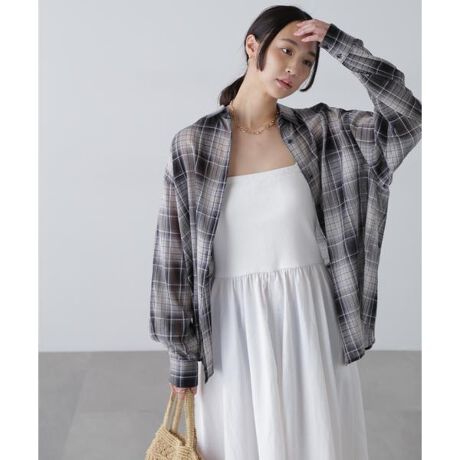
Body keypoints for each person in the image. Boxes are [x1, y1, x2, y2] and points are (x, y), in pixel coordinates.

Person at [150, 5, 421, 459]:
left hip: (312, 319)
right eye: (286, 51)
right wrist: (181, 360)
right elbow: (172, 256)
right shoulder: (194, 145)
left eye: (308, 60)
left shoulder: (323, 131)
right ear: (252, 46)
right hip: (233, 330)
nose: (295, 68)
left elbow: (407, 116)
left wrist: (341, 45)